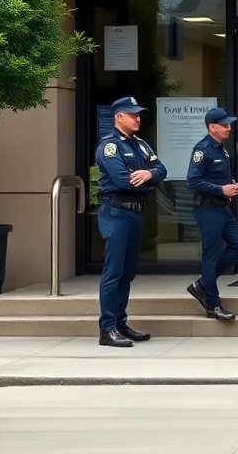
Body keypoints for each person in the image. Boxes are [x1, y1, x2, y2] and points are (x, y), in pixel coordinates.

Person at [94, 96, 166, 347]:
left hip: (134, 213)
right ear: (118, 118)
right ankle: (108, 328)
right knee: (113, 272)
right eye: (132, 114)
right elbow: (124, 180)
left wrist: (148, 172)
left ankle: (121, 324)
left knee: (127, 273)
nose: (137, 118)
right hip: (115, 212)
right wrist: (151, 177)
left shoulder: (140, 145)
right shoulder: (109, 146)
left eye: (138, 114)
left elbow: (162, 170)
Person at [185, 107, 238, 321]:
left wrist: (230, 185)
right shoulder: (202, 149)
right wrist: (221, 190)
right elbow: (192, 180)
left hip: (222, 208)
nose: (229, 128)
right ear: (213, 127)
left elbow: (217, 176)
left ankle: (202, 284)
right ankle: (213, 304)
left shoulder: (221, 149)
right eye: (225, 125)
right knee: (210, 257)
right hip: (208, 209)